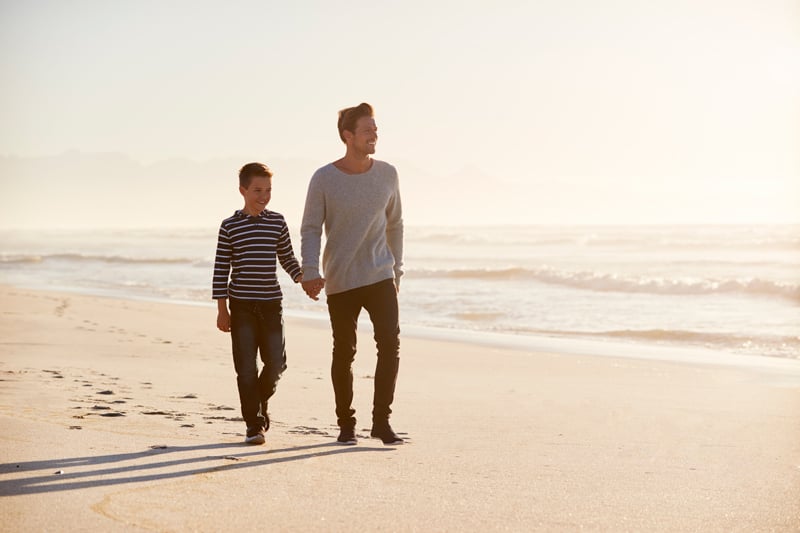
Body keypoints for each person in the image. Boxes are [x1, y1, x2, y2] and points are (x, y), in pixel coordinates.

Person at [300, 102, 405, 446]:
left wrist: (397, 269)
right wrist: (311, 270)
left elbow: (395, 224)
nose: (374, 134)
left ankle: (381, 422)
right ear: (348, 136)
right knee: (344, 352)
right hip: (342, 277)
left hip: (380, 275)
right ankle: (346, 424)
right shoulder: (324, 179)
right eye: (367, 130)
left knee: (390, 345)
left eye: (376, 128)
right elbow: (311, 228)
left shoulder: (388, 174)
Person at [213, 162, 303, 445]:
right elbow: (220, 270)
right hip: (241, 307)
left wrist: (304, 279)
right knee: (246, 368)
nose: (263, 196)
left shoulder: (277, 222)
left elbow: (287, 258)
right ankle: (254, 425)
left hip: (270, 305)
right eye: (257, 190)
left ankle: (258, 402)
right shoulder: (229, 226)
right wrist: (222, 310)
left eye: (268, 190)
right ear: (242, 190)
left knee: (277, 363)